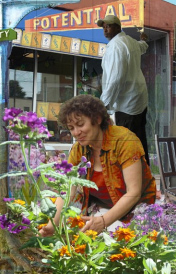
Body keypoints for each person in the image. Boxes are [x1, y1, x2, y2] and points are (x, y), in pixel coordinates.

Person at [39, 94, 156, 236]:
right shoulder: (78, 149)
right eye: (71, 128)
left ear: (98, 119)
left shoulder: (125, 140)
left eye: (80, 124)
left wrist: (104, 221)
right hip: (102, 212)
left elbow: (134, 193)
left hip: (138, 213)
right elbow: (67, 190)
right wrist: (53, 224)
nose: (76, 132)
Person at [97, 15, 150, 165]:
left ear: (118, 27)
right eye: (103, 27)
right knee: (139, 142)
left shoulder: (116, 46)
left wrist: (102, 105)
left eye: (108, 26)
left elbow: (115, 80)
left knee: (127, 148)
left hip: (127, 105)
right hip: (139, 100)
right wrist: (144, 40)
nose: (105, 29)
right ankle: (144, 180)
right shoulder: (130, 42)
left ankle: (131, 184)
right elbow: (142, 47)